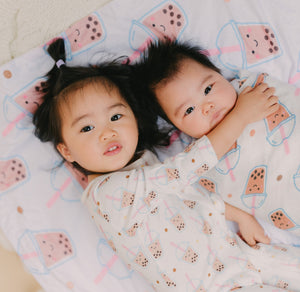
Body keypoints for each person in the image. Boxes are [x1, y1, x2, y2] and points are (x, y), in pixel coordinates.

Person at [33, 38, 300, 291]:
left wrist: (240, 216)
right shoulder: (106, 194)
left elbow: (190, 196)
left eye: (116, 116)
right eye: (87, 128)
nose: (107, 133)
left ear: (135, 120)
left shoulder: (144, 166)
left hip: (243, 258)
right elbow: (186, 168)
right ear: (67, 151)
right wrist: (240, 116)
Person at [133, 39, 300, 241]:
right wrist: (242, 218)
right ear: (178, 127)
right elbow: (202, 199)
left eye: (208, 89)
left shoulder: (255, 88)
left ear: (220, 75)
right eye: (188, 110)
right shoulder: (200, 159)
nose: (207, 106)